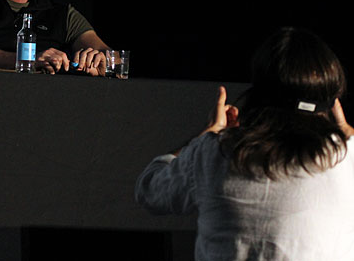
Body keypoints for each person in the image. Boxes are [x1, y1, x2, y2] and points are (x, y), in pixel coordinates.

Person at [135, 27, 354, 260]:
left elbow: (148, 189)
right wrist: (348, 137)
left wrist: (209, 133)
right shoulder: (347, 156)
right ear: (331, 105)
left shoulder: (214, 153)